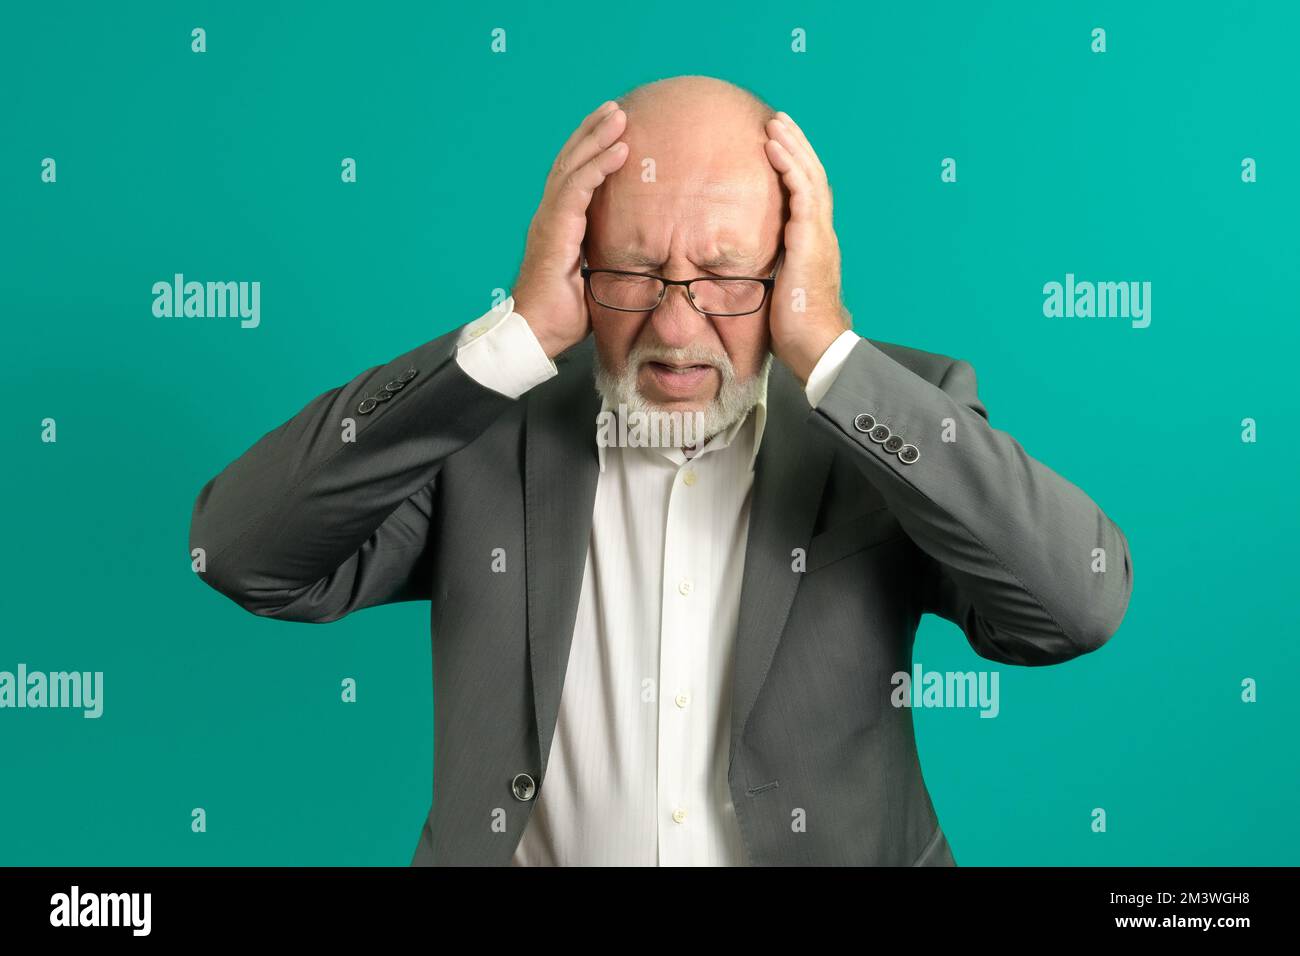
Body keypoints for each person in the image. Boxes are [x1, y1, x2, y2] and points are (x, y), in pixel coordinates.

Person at [189, 75, 1133, 866]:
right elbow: (243, 554)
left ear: (792, 267)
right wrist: (510, 339)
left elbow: (1073, 607)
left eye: (729, 279)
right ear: (576, 263)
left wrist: (833, 354)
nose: (676, 331)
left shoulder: (890, 417)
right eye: (633, 273)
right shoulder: (479, 425)